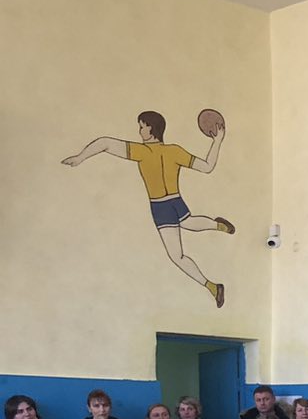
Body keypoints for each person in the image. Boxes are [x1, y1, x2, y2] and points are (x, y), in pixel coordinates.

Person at [61, 110, 233, 308]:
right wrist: (217, 141)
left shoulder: (141, 152)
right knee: (187, 221)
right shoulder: (174, 151)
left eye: (142, 126)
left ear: (151, 129)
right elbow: (208, 167)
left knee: (177, 256)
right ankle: (218, 226)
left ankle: (212, 286)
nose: (139, 131)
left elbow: (105, 143)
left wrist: (80, 157)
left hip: (160, 206)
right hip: (175, 201)